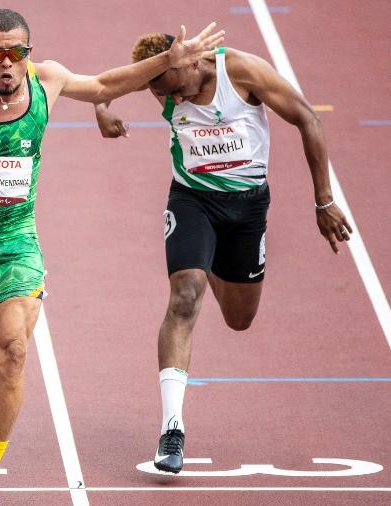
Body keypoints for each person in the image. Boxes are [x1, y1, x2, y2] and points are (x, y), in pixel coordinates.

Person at [0, 9, 223, 504]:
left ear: (28, 53)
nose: (7, 64)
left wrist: (167, 58)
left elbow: (102, 85)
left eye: (17, 53)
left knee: (13, 351)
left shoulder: (46, 81)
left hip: (16, 241)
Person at [95, 33, 352, 473]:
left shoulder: (243, 72)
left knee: (239, 318)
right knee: (184, 298)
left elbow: (308, 119)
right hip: (192, 201)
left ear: (193, 61)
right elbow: (101, 86)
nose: (175, 99)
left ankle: (208, 257)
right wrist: (103, 110)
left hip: (248, 208)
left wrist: (323, 200)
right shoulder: (163, 74)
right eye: (164, 95)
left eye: (176, 88)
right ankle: (171, 428)